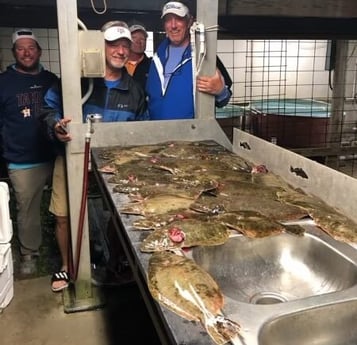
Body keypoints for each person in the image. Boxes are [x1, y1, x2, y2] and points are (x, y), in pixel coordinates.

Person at [42, 20, 148, 291]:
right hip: (72, 157)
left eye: (126, 45)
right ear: (99, 46)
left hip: (114, 164)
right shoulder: (77, 79)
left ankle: (115, 263)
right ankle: (68, 267)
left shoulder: (134, 90)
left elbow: (142, 127)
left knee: (119, 214)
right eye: (114, 44)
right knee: (63, 214)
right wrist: (55, 125)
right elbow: (48, 107)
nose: (121, 51)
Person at [0, 28, 58, 275]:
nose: (26, 52)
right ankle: (30, 254)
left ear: (39, 51)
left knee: (63, 207)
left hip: (56, 153)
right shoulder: (3, 82)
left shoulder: (51, 80)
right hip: (22, 158)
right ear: (14, 52)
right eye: (21, 48)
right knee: (28, 209)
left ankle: (65, 248)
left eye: (31, 47)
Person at [146, 0, 232, 120]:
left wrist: (221, 91)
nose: (173, 25)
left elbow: (224, 100)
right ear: (164, 24)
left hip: (190, 135)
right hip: (157, 133)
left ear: (189, 21)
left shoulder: (204, 56)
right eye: (168, 19)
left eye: (179, 18)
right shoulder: (157, 58)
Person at [125, 24, 152, 91]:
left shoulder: (152, 66)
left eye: (142, 39)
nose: (138, 42)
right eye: (134, 37)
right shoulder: (119, 63)